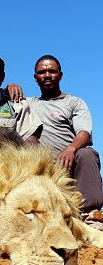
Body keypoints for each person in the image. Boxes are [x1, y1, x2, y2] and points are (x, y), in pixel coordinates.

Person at [26, 55, 103, 213]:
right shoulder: (27, 103)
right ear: (35, 78)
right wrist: (10, 87)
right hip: (38, 167)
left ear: (60, 75)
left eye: (52, 71)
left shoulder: (74, 103)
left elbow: (84, 132)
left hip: (67, 164)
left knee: (87, 154)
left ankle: (90, 214)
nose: (47, 75)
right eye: (42, 72)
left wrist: (71, 148)